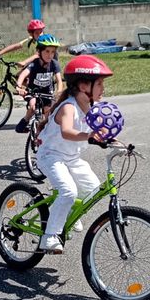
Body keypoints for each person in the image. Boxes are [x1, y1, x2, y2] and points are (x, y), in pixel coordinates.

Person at [34, 54, 115, 254]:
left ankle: (67, 214)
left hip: (71, 158)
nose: (103, 89)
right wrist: (89, 136)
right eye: (100, 84)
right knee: (68, 191)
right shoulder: (69, 107)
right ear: (83, 86)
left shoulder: (89, 107)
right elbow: (67, 132)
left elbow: (100, 130)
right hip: (51, 156)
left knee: (93, 189)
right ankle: (49, 236)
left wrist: (116, 142)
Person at [13, 33, 64, 133]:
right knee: (33, 107)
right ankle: (25, 120)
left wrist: (59, 92)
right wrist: (19, 87)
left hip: (47, 93)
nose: (50, 55)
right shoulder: (34, 64)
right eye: (47, 51)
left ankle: (41, 134)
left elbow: (59, 81)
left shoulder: (54, 64)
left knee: (47, 114)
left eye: (53, 52)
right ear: (39, 52)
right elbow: (23, 75)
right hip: (33, 91)